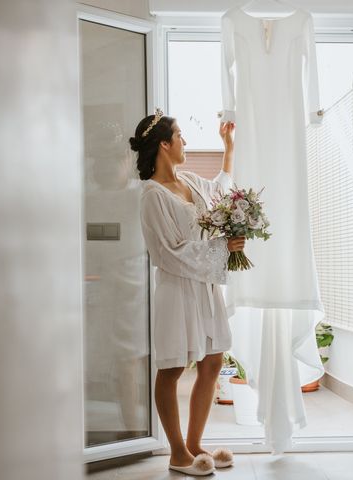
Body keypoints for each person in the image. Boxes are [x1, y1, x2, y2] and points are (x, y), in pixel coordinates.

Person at [130, 109, 241, 476]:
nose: (185, 142)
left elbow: (222, 192)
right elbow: (166, 253)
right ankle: (177, 452)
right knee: (174, 367)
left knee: (212, 361)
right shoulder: (152, 195)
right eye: (180, 136)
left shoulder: (190, 182)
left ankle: (195, 444)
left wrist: (228, 148)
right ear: (164, 144)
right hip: (177, 289)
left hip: (205, 287)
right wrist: (220, 250)